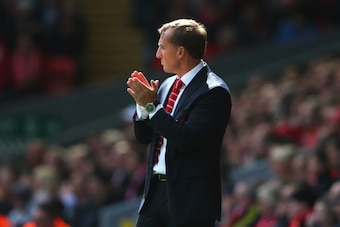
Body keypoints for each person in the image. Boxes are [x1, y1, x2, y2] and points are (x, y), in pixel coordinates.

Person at [126, 18, 232, 227]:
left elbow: (186, 139)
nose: (157, 55)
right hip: (155, 192)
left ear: (181, 52)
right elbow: (145, 137)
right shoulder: (167, 85)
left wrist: (152, 106)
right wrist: (142, 105)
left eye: (162, 47)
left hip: (190, 199)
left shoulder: (213, 91)